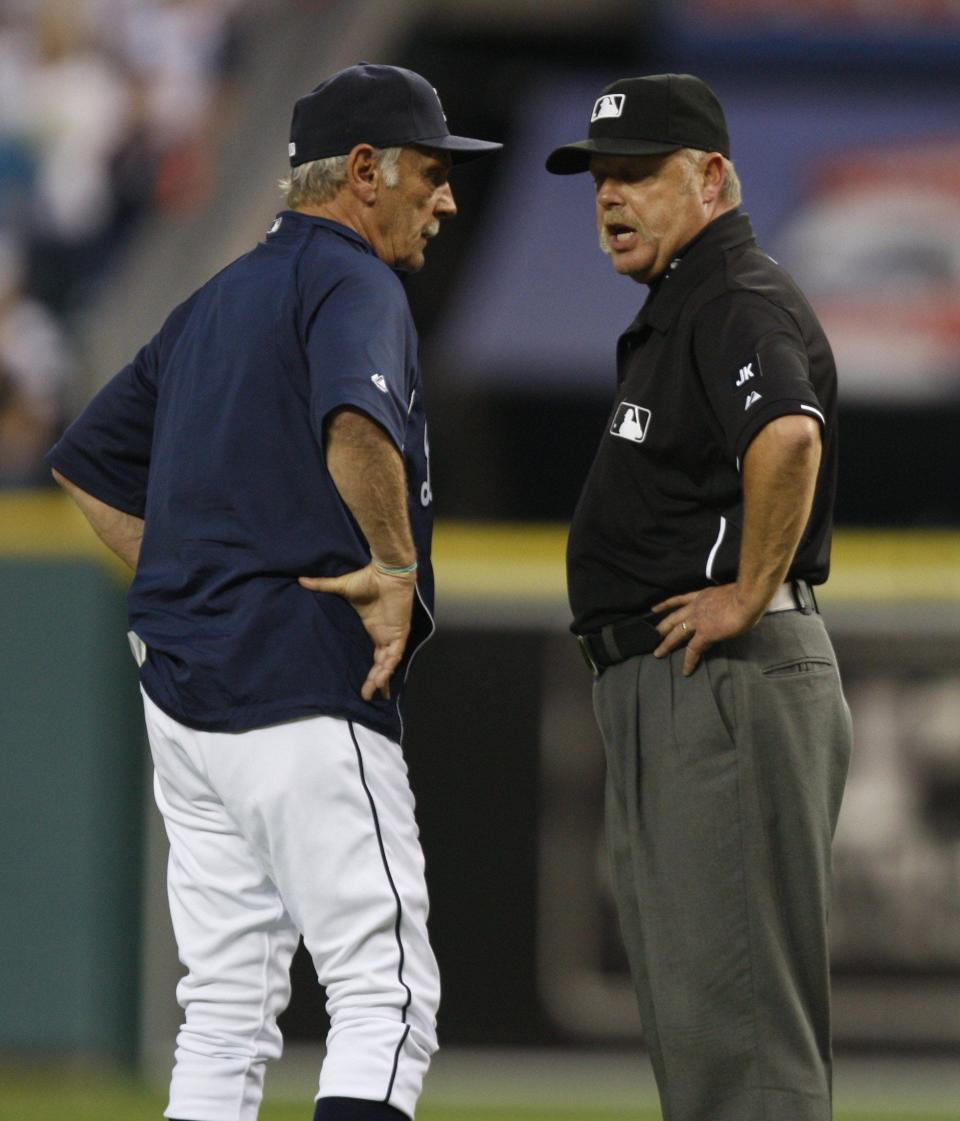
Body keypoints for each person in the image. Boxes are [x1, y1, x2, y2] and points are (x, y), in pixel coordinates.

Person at [47, 62, 500, 1121]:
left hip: (188, 700)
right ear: (361, 172)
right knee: (385, 993)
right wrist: (393, 570)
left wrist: (196, 580)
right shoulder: (354, 280)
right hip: (300, 679)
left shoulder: (216, 296)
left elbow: (84, 463)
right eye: (430, 174)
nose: (447, 198)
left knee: (222, 1010)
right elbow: (355, 420)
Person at [546, 74, 852, 1121]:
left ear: (712, 177)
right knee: (705, 1034)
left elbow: (789, 434)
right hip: (685, 689)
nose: (610, 197)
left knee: (743, 1049)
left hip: (724, 680)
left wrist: (745, 591)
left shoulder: (731, 294)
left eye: (637, 173)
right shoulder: (688, 305)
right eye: (599, 178)